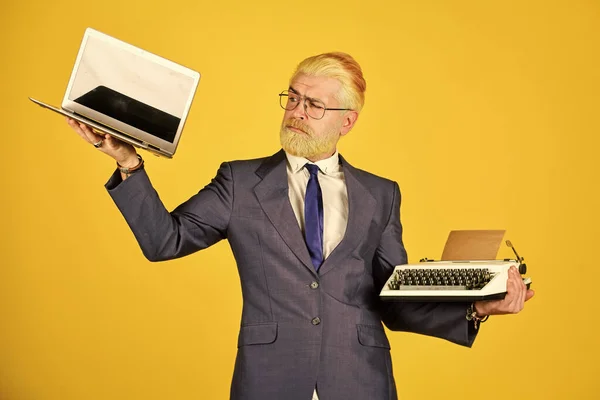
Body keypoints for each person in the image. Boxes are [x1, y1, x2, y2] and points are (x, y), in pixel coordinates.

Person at [67, 52, 534, 400]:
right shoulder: (240, 181)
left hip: (360, 381)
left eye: (313, 104)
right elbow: (164, 241)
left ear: (346, 121)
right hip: (269, 379)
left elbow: (393, 301)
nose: (296, 111)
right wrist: (128, 163)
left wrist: (475, 310)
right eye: (292, 98)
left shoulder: (381, 193)